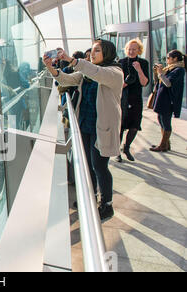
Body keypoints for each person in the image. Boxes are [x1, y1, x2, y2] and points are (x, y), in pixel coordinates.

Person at [43, 40, 124, 222]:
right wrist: (51, 68)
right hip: (86, 124)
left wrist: (71, 60)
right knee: (88, 165)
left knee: (100, 166)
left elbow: (98, 73)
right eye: (92, 51)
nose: (92, 54)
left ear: (108, 53)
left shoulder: (114, 73)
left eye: (97, 51)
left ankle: (107, 204)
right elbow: (66, 79)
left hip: (102, 127)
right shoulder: (86, 75)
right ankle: (90, 198)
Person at [116, 39, 149, 162]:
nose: (131, 51)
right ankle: (117, 151)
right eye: (129, 49)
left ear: (139, 50)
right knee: (121, 126)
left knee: (134, 125)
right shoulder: (121, 63)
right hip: (122, 97)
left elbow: (144, 83)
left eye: (134, 49)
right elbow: (116, 83)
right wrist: (125, 83)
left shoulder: (143, 63)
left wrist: (139, 70)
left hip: (136, 98)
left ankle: (127, 147)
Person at [150, 50, 186, 152]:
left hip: (169, 100)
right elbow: (158, 82)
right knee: (160, 120)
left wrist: (161, 73)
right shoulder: (169, 69)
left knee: (165, 122)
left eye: (168, 58)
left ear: (174, 59)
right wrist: (156, 73)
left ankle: (163, 145)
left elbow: (168, 83)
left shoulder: (179, 70)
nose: (166, 60)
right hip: (162, 98)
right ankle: (166, 144)